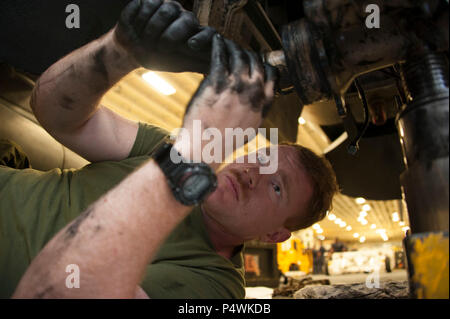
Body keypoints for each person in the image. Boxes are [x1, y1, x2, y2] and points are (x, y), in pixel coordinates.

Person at [0, 0, 338, 298]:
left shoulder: (216, 286)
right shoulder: (166, 149)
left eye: (276, 186)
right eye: (262, 159)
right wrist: (119, 51)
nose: (253, 175)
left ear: (274, 233)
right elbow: (53, 112)